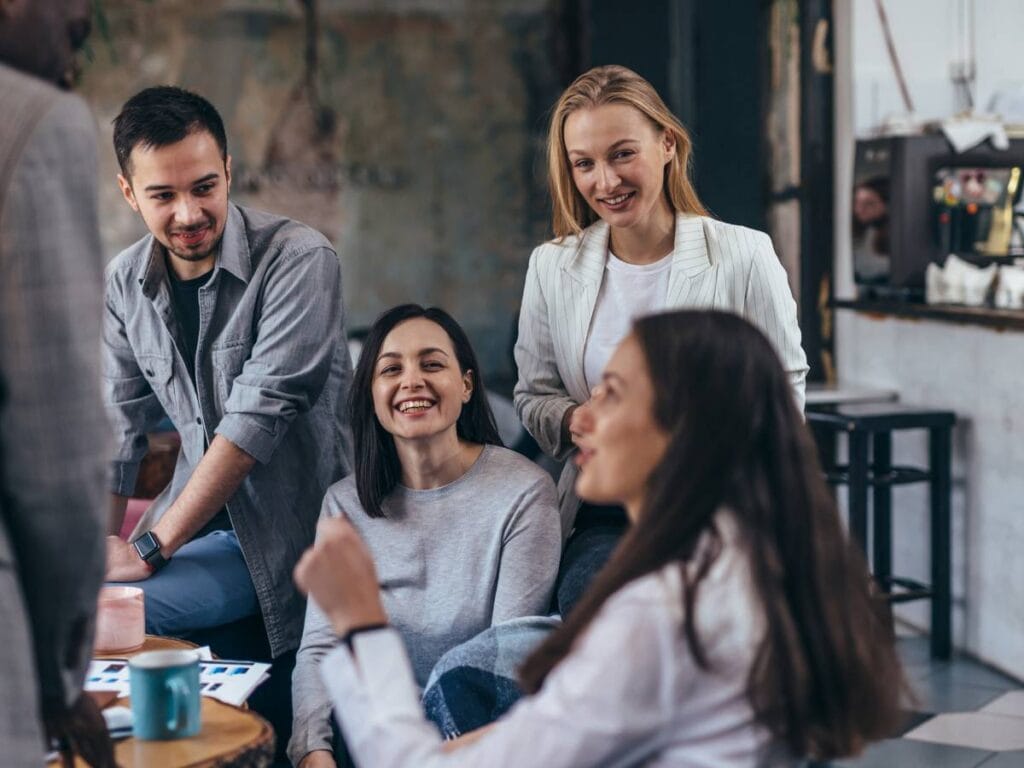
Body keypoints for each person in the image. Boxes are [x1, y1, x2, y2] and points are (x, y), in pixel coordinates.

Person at [294, 309, 903, 767]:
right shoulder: (742, 562)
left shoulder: (664, 615)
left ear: (683, 425)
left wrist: (362, 624)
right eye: (390, 368)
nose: (579, 418)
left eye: (610, 394)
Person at [513, 65, 808, 615]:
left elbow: (783, 389)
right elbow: (533, 395)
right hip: (605, 512)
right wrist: (576, 419)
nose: (606, 181)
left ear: (667, 143)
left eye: (623, 154)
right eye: (585, 164)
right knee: (600, 610)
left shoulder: (744, 255)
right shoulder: (552, 267)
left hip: (721, 502)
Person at [103, 86, 353, 664]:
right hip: (183, 535)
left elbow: (252, 424)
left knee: (97, 621)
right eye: (162, 195)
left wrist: (145, 547)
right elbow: (116, 431)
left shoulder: (299, 259)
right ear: (128, 194)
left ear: (228, 172)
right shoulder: (124, 282)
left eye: (204, 187)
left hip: (283, 539)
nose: (188, 214)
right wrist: (101, 550)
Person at [290, 304, 561, 768]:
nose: (411, 380)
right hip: (367, 734)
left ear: (467, 385)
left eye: (432, 364)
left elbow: (498, 666)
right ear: (373, 394)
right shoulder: (343, 502)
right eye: (391, 369)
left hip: (466, 742)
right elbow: (319, 646)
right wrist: (313, 752)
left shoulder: (524, 491)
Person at [0, 1, 115, 765]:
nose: (86, 17)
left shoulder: (299, 263)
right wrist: (62, 676)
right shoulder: (35, 124)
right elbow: (59, 456)